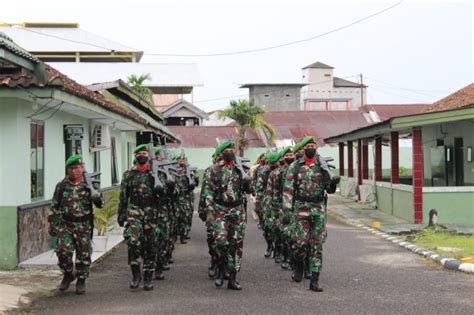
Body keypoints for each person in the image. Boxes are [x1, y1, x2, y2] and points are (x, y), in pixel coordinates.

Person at [282, 136, 335, 292]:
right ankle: (299, 265)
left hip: (318, 208)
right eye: (308, 146)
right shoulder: (295, 166)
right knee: (300, 243)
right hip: (301, 208)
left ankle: (315, 279)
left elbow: (329, 189)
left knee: (316, 245)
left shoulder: (322, 166)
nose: (311, 148)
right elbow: (288, 189)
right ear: (303, 150)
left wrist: (333, 182)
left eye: (313, 146)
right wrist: (286, 208)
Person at [48, 154, 104, 294]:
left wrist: (95, 196)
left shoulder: (90, 184)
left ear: (82, 168)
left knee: (83, 254)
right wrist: (53, 225)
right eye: (71, 168)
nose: (73, 171)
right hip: (66, 224)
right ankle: (68, 274)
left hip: (84, 225)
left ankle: (81, 280)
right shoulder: (61, 186)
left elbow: (101, 204)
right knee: (62, 251)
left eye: (76, 168)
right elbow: (55, 206)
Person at [200, 140, 252, 290]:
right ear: (221, 154)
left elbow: (250, 191)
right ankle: (221, 266)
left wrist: (248, 181)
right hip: (220, 210)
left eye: (232, 150)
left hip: (237, 211)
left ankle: (233, 278)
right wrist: (209, 211)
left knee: (236, 245)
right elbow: (208, 193)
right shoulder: (213, 170)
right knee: (221, 241)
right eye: (227, 150)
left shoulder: (240, 169)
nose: (230, 152)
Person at [118, 144, 160, 291]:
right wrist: (121, 214)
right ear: (135, 156)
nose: (142, 155)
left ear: (148, 156)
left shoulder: (155, 172)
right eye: (139, 153)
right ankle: (136, 274)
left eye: (144, 153)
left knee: (150, 245)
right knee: (133, 241)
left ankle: (148, 277)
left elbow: (165, 195)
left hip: (151, 212)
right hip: (134, 210)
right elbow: (123, 196)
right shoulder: (128, 174)